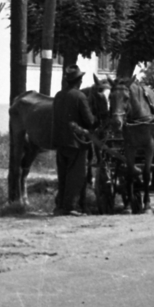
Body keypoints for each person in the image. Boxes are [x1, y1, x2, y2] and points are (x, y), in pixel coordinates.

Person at [51, 66, 97, 214]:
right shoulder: (80, 97)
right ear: (79, 81)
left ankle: (60, 206)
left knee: (63, 175)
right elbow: (89, 121)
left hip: (60, 141)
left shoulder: (58, 95)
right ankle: (72, 207)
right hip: (77, 142)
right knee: (76, 175)